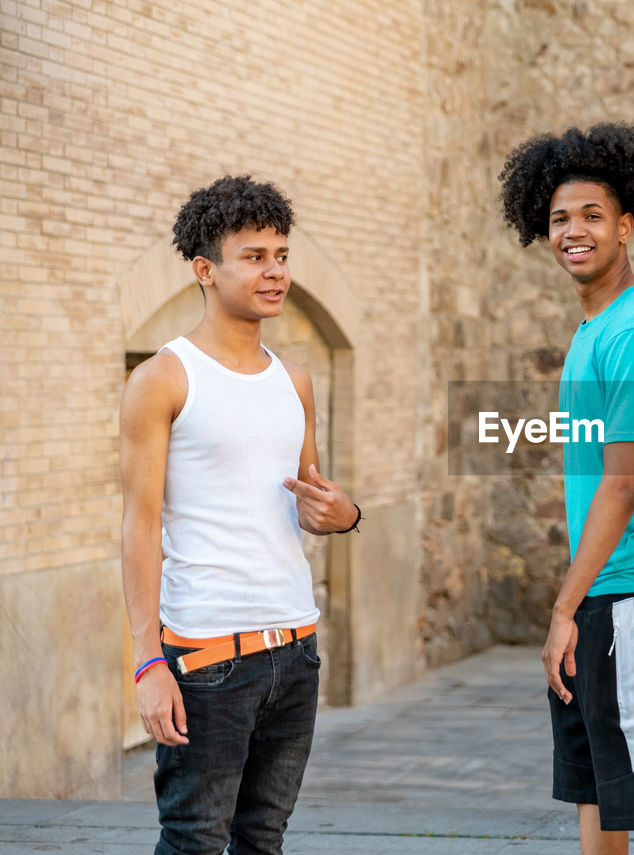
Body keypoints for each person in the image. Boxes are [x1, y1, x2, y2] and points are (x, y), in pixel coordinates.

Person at [120, 175, 361, 855]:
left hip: (296, 649)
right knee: (195, 839)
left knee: (263, 840)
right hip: (207, 658)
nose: (275, 271)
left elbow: (311, 503)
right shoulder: (163, 379)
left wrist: (343, 515)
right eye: (254, 256)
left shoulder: (296, 381)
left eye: (281, 254)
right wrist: (148, 663)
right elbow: (138, 525)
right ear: (205, 269)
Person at [498, 123, 634, 855]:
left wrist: (564, 606)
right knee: (598, 788)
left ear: (627, 224)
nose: (572, 231)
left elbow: (623, 482)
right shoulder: (594, 329)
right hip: (603, 588)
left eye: (590, 215)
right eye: (558, 218)